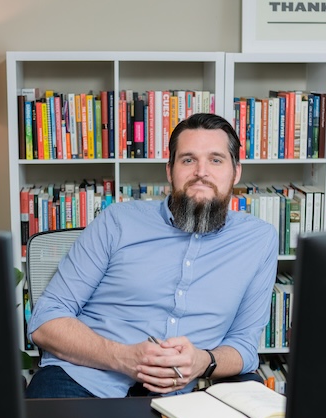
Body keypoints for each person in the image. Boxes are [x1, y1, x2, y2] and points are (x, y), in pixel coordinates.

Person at [26, 112, 278, 398]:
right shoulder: (117, 221)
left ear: (236, 171)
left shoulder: (259, 239)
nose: (201, 172)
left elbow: (243, 343)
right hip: (84, 380)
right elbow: (46, 320)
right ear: (170, 170)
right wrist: (122, 358)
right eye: (188, 159)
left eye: (216, 160)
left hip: (190, 393)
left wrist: (203, 361)